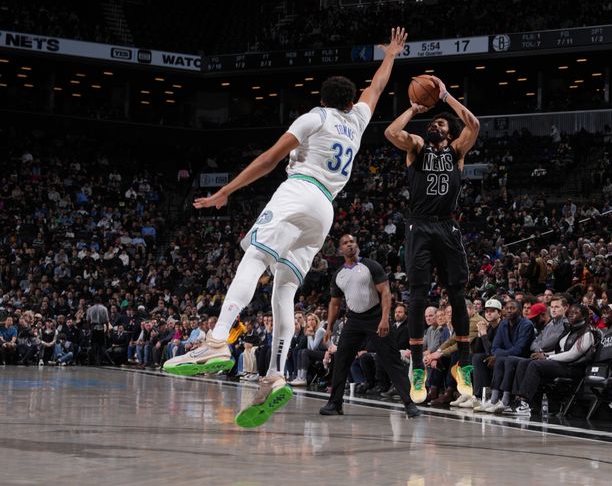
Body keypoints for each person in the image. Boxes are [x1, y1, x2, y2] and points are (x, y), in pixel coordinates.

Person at [164, 27, 409, 429]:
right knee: (285, 288)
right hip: (325, 210)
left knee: (255, 256)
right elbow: (377, 88)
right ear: (350, 101)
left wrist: (225, 190)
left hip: (299, 190)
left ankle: (215, 339)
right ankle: (275, 373)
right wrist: (391, 55)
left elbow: (268, 159)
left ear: (323, 99)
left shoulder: (314, 117)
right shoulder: (358, 121)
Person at [384, 74, 481, 404]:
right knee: (418, 294)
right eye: (434, 123)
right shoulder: (416, 147)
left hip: (447, 225)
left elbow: (475, 125)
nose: (435, 126)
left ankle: (464, 364)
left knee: (456, 293)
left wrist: (446, 96)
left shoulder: (457, 151)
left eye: (440, 123)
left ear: (449, 132)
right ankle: (416, 367)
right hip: (419, 225)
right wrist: (413, 108)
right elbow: (390, 133)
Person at [318, 234, 420, 418]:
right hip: (354, 319)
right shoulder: (338, 274)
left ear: (356, 245)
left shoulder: (370, 266)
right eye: (345, 243)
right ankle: (335, 404)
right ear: (340, 250)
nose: (349, 245)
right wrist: (330, 327)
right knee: (341, 359)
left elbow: (386, 293)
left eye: (352, 241)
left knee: (391, 360)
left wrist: (384, 319)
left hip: (375, 316)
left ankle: (409, 403)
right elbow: (334, 303)